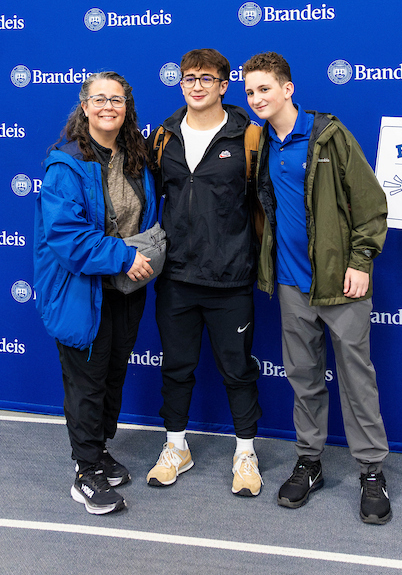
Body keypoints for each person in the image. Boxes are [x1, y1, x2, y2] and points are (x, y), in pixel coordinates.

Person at [242, 51, 392, 524]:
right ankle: (309, 462)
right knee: (303, 379)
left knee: (356, 378)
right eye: (249, 92)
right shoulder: (261, 143)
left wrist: (361, 260)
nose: (256, 98)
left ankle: (371, 471)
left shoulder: (330, 135)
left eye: (264, 89)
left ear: (288, 89)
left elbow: (370, 204)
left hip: (342, 284)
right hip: (290, 285)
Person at [34, 71, 157, 516]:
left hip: (126, 289)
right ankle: (84, 473)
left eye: (117, 100)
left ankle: (99, 450)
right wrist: (123, 255)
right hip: (80, 291)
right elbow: (66, 236)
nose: (109, 106)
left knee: (111, 378)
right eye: (99, 99)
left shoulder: (134, 155)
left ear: (127, 108)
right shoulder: (65, 164)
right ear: (84, 106)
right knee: (86, 385)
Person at [145, 48, 263, 498]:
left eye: (206, 78)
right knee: (176, 368)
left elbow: (266, 204)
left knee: (237, 371)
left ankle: (245, 453)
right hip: (176, 279)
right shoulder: (164, 138)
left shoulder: (250, 136)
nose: (196, 85)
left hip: (231, 278)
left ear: (223, 85)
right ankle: (176, 447)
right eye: (188, 77)